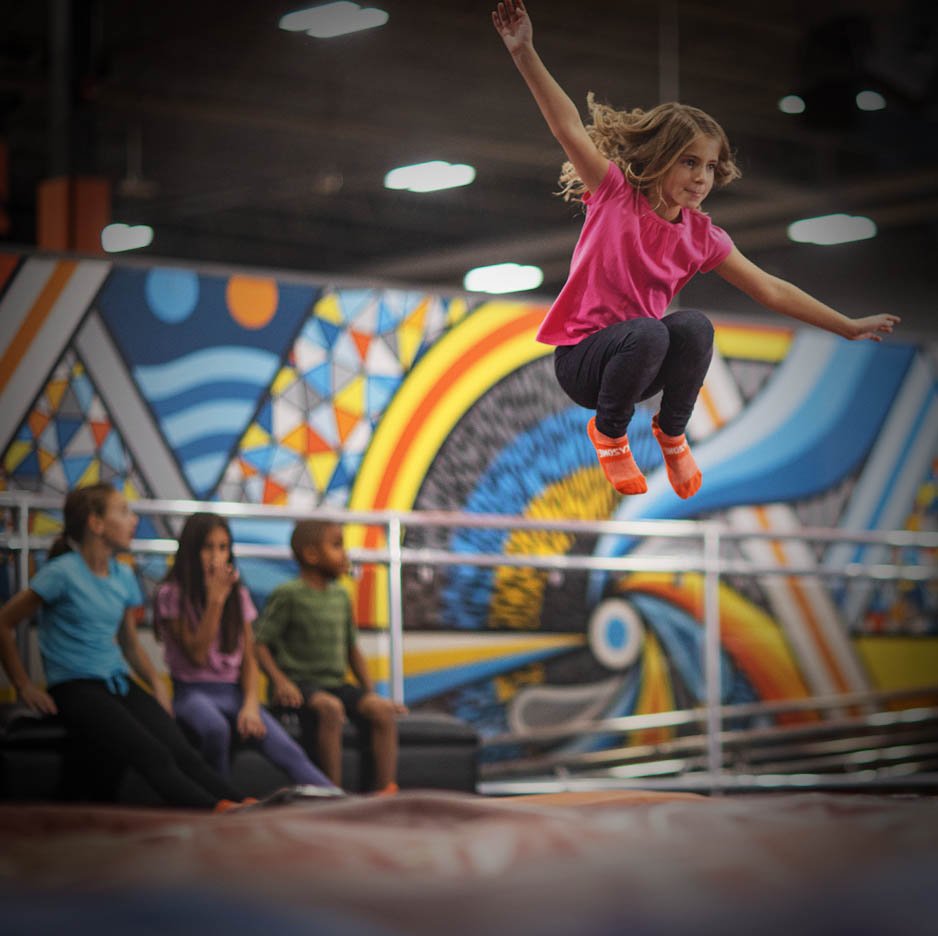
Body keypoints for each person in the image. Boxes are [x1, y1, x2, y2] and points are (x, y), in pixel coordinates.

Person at [492, 0, 900, 499]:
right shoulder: (615, 194)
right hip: (583, 363)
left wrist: (847, 325)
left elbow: (770, 290)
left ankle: (672, 431)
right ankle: (610, 434)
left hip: (640, 365)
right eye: (689, 163)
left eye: (709, 167)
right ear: (661, 159)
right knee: (646, 332)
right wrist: (524, 52)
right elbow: (567, 128)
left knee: (692, 326)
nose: (701, 178)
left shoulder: (701, 235)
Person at [0, 483, 246, 811]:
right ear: (96, 523)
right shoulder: (61, 573)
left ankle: (246, 804)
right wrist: (23, 684)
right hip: (75, 686)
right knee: (152, 753)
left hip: (115, 680)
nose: (133, 520)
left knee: (180, 748)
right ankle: (219, 811)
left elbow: (129, 644)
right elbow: (4, 622)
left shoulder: (123, 575)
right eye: (124, 512)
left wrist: (156, 681)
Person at [153, 512, 335, 790]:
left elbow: (249, 657)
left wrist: (251, 705)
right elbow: (197, 655)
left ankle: (340, 802)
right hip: (192, 693)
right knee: (215, 729)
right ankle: (222, 803)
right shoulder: (171, 594)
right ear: (191, 551)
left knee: (290, 753)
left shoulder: (238, 595)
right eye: (207, 547)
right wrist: (215, 601)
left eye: (223, 547)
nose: (216, 556)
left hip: (235, 694)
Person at [254, 519, 407, 794]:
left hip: (335, 684)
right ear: (311, 554)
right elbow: (259, 644)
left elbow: (352, 649)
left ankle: (385, 792)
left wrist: (370, 693)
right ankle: (330, 792)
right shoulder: (288, 595)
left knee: (382, 711)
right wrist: (280, 681)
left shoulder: (341, 597)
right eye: (337, 546)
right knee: (331, 708)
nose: (345, 554)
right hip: (300, 685)